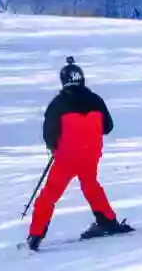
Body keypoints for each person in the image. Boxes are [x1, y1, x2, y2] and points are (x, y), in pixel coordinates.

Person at [26, 64, 132, 251]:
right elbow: (108, 127)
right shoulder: (95, 99)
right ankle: (107, 220)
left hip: (67, 158)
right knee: (90, 185)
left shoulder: (58, 104)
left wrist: (54, 146)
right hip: (91, 155)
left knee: (49, 195)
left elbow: (49, 134)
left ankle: (35, 235)